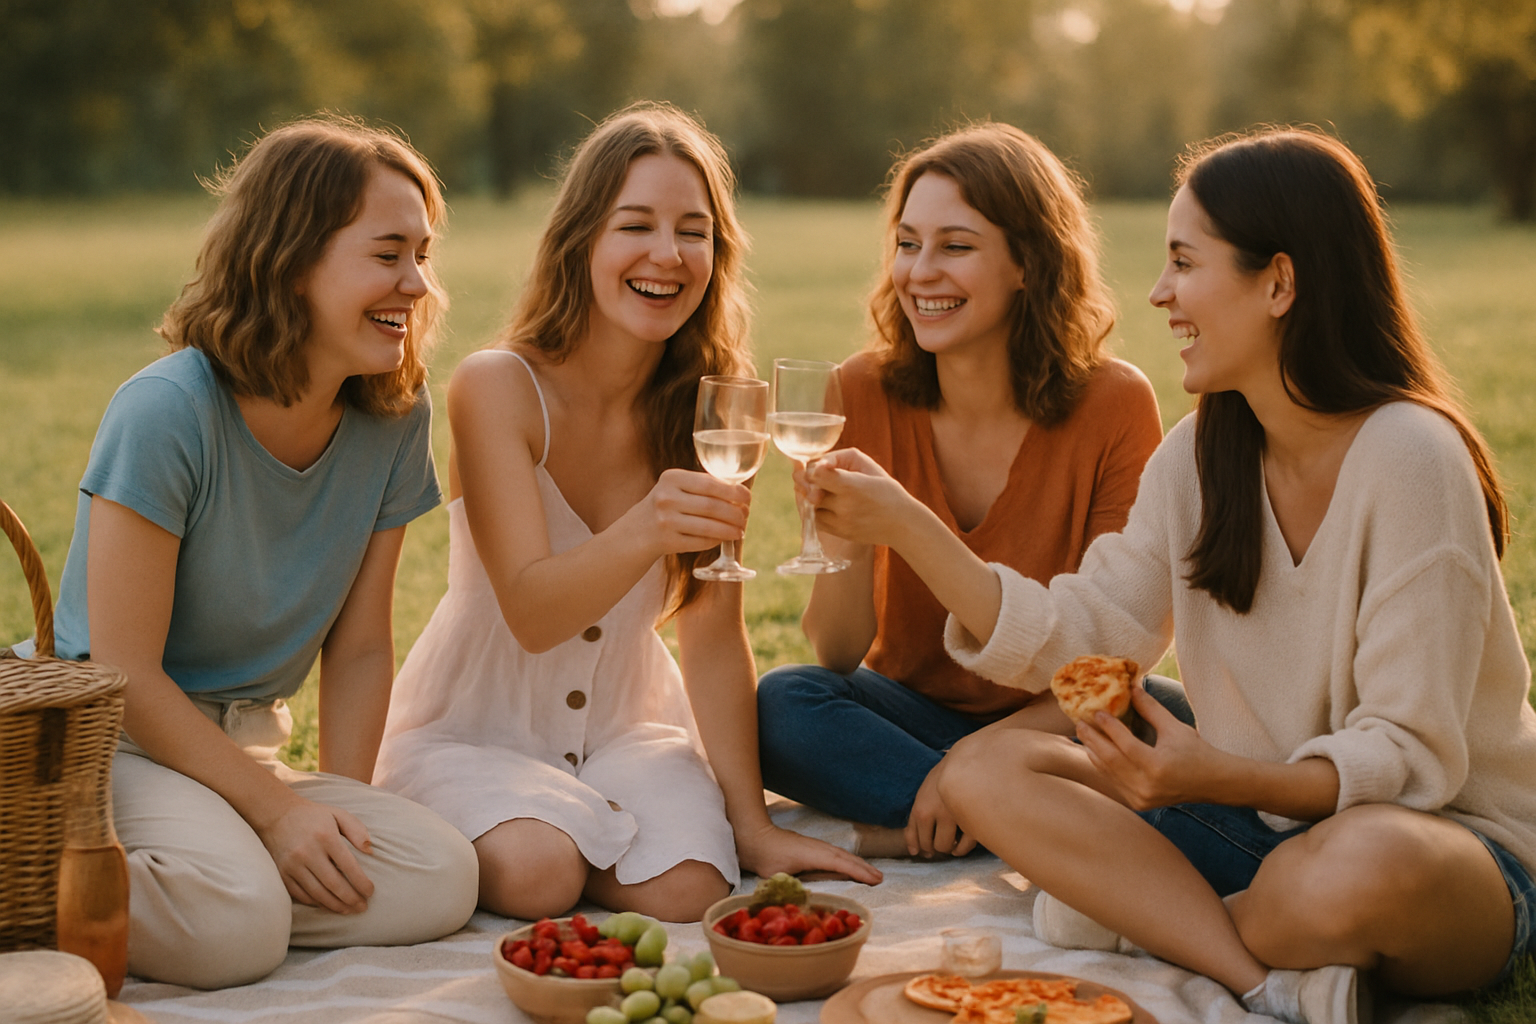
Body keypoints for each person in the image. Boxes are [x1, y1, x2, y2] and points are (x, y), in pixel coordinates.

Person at [806, 127, 1536, 1023]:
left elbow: (1408, 757)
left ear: (1279, 282)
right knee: (982, 773)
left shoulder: (1411, 457)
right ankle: (1267, 978)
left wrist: (1212, 779)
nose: (1159, 294)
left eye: (1185, 264)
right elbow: (1087, 632)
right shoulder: (1200, 454)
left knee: (1354, 869)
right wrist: (914, 529)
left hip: (1441, 845)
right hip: (1252, 831)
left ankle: (1148, 920)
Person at [374, 102, 880, 924]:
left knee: (690, 890)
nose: (668, 255)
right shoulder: (497, 387)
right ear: (582, 242)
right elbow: (534, 612)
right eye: (635, 225)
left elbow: (713, 633)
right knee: (541, 873)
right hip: (472, 729)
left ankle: (600, 834)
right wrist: (647, 525)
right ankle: (556, 840)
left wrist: (750, 827)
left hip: (626, 729)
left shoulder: (711, 410)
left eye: (695, 231)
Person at [45, 116, 479, 990]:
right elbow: (120, 674)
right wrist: (276, 815)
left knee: (441, 876)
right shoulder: (168, 411)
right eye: (389, 254)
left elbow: (358, 648)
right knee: (233, 932)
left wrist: (335, 817)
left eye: (423, 254)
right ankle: (36, 872)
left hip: (242, 756)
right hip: (109, 743)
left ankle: (223, 889)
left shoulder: (395, 415)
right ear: (291, 258)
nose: (419, 284)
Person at [755, 122, 1163, 858]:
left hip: (1056, 723)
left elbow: (1111, 665)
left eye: (956, 246)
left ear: (1029, 265)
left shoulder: (1115, 405)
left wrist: (979, 764)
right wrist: (844, 535)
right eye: (908, 244)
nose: (919, 272)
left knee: (1170, 720)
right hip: (909, 716)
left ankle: (933, 821)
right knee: (786, 704)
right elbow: (840, 653)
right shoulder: (861, 390)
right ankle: (1020, 824)